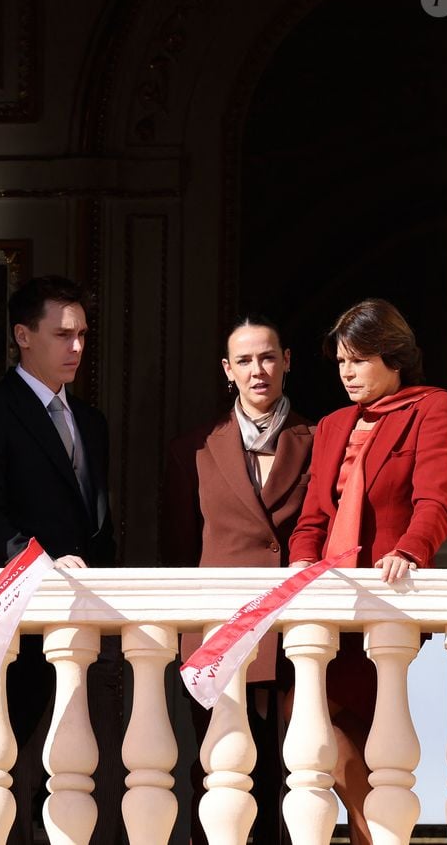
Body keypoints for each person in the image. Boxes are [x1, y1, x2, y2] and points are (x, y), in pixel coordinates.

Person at [0, 274, 124, 845]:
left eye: (81, 335)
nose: (76, 347)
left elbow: (97, 522)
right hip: (15, 616)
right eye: (61, 334)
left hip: (82, 619)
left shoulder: (90, 421)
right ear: (23, 335)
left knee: (67, 755)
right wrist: (40, 564)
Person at [286, 297, 447, 845]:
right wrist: (300, 568)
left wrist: (409, 549)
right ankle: (376, 836)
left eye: (358, 360)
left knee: (367, 727)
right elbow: (312, 516)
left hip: (384, 597)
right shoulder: (334, 424)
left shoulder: (432, 407)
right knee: (312, 719)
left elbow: (435, 500)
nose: (347, 373)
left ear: (393, 356)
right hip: (327, 599)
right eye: (340, 363)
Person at [161, 313, 315, 845]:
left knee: (288, 774)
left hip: (294, 632)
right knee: (217, 772)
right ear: (228, 369)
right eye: (245, 360)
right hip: (218, 635)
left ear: (287, 361)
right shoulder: (195, 448)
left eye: (268, 356)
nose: (258, 370)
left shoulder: (319, 439)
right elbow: (181, 551)